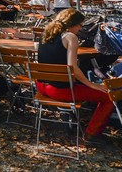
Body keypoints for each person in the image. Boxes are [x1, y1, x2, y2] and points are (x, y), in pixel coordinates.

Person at [36, 9, 114, 139]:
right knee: (110, 96)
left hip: (42, 86)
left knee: (86, 89)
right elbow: (73, 68)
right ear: (73, 24)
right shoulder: (70, 37)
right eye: (80, 25)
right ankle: (91, 134)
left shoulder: (45, 34)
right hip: (60, 90)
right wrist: (91, 84)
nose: (81, 28)